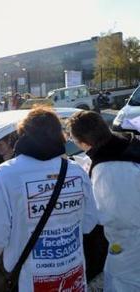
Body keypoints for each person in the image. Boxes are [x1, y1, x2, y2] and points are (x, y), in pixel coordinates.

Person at [0, 105, 98, 291]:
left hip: (28, 279)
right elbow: (90, 223)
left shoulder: (5, 174)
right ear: (60, 136)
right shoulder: (76, 171)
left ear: (23, 135)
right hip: (71, 274)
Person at [67, 111, 140, 292]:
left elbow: (117, 215)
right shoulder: (128, 142)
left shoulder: (108, 168)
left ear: (84, 142)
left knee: (122, 284)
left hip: (131, 244)